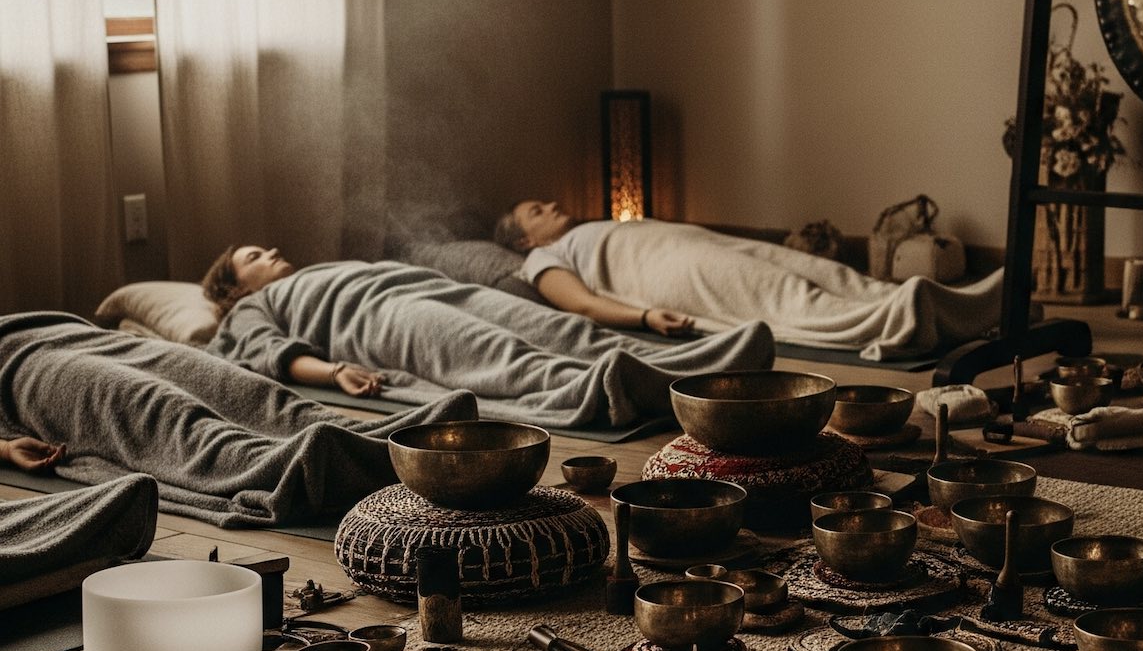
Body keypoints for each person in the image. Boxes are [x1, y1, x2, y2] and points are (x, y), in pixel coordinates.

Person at [199, 244, 774, 432]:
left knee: (562, 326)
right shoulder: (250, 308)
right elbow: (269, 355)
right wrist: (332, 374)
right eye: (254, 255)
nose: (270, 251)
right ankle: (610, 391)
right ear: (232, 285)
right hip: (386, 322)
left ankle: (699, 365)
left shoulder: (315, 268)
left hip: (432, 289)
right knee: (508, 359)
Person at [0, 310, 477, 528]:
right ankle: (299, 465)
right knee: (163, 411)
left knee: (249, 391)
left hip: (71, 329)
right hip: (20, 373)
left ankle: (400, 440)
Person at [492, 200, 1004, 362]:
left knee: (820, 270)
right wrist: (645, 317)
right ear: (523, 241)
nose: (553, 206)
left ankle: (952, 305)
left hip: (699, 244)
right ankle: (913, 312)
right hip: (676, 275)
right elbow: (580, 305)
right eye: (538, 210)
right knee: (786, 295)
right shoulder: (540, 260)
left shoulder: (587, 228)